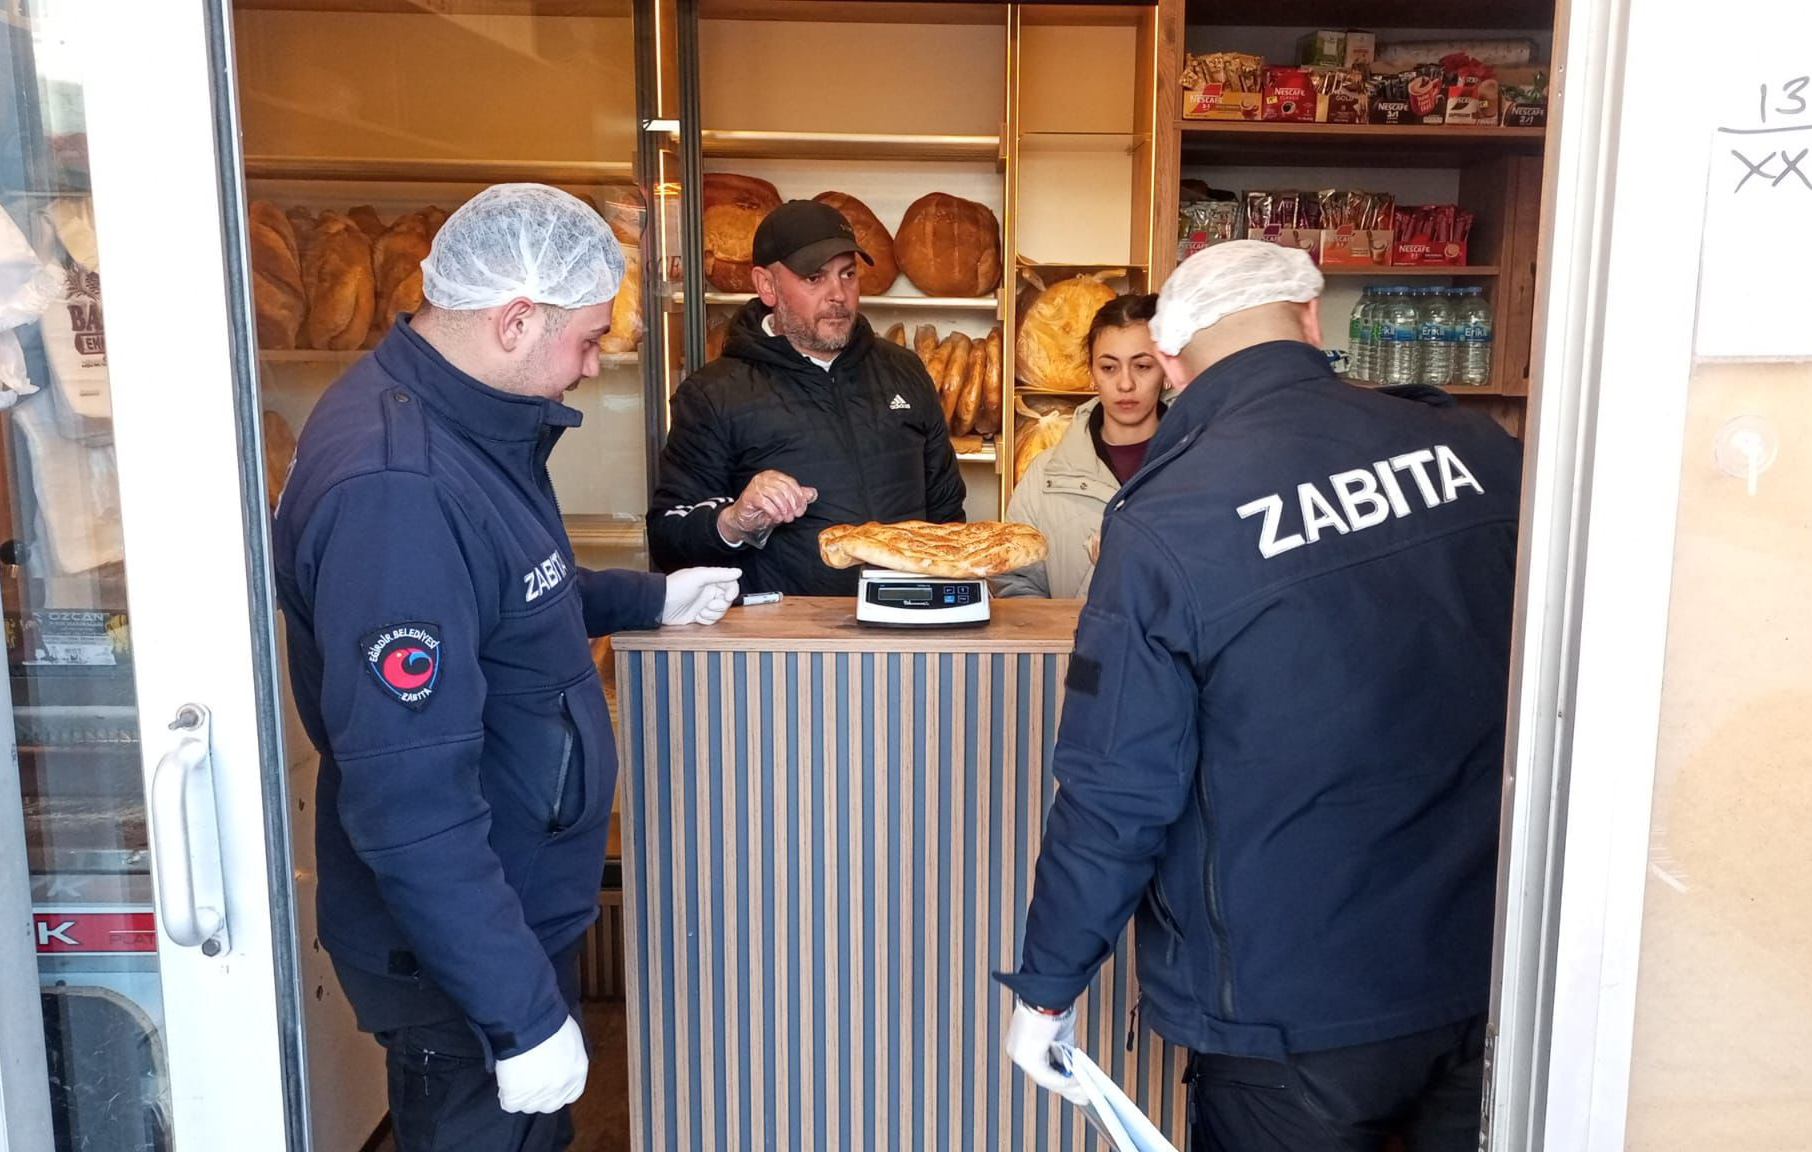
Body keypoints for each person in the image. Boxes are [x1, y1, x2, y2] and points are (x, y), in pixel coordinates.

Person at [996, 241, 1522, 1152]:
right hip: (1485, 968)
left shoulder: (1167, 522)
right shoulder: (1480, 452)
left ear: (1169, 362)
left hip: (1287, 1008)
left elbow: (1116, 790)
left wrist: (1048, 986)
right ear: (1311, 319)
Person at [272, 184, 742, 1151]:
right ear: (516, 319)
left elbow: (513, 594)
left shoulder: (468, 430)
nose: (596, 361)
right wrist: (519, 1014)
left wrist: (649, 598)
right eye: (589, 338)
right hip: (460, 957)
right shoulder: (397, 488)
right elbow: (410, 802)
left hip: (507, 919)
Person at [649, 199, 967, 595]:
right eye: (815, 278)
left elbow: (947, 511)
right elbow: (666, 538)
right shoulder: (713, 394)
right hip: (787, 629)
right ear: (767, 285)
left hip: (905, 618)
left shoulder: (905, 371)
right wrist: (733, 521)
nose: (839, 294)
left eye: (848, 274)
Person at [997, 293, 1166, 599]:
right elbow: (1014, 584)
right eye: (1109, 368)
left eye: (1142, 366)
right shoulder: (1043, 476)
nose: (1125, 384)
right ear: (1091, 373)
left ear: (1166, 369)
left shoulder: (1199, 469)